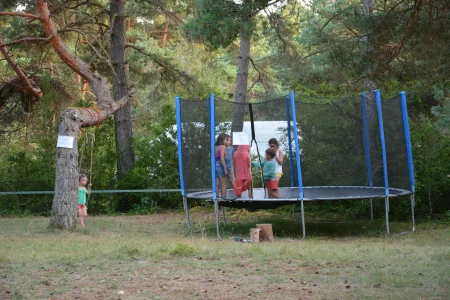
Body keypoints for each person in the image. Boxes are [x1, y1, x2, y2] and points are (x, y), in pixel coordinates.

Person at [215, 133, 234, 198]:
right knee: (224, 185)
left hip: (215, 166)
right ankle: (223, 200)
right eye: (226, 139)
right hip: (220, 167)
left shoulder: (215, 147)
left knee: (217, 184)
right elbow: (222, 158)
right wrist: (225, 168)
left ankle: (216, 198)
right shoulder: (222, 147)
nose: (227, 141)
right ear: (222, 140)